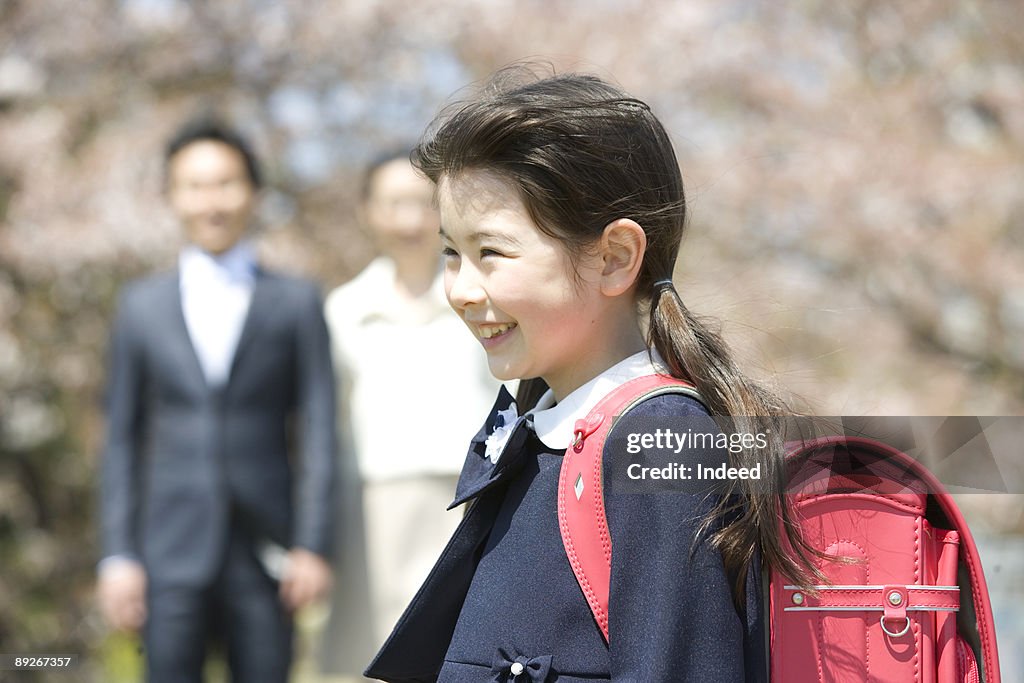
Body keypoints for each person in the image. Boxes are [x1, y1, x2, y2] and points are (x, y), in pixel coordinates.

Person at [364, 71, 816, 682]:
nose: (463, 290)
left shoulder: (662, 438)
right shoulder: (542, 436)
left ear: (613, 258)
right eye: (452, 252)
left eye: (491, 252)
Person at [96, 118, 337, 683]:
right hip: (167, 547)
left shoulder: (297, 301)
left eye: (226, 183)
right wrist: (118, 554)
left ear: (253, 191)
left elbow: (321, 428)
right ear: (172, 196)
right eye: (195, 185)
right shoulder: (140, 307)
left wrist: (312, 542)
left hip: (267, 547)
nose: (212, 201)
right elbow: (121, 438)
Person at [320, 151, 499, 676]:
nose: (411, 221)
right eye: (394, 204)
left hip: (465, 497)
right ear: (368, 212)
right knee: (377, 650)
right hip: (371, 502)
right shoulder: (344, 310)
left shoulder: (481, 300)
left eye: (423, 204)